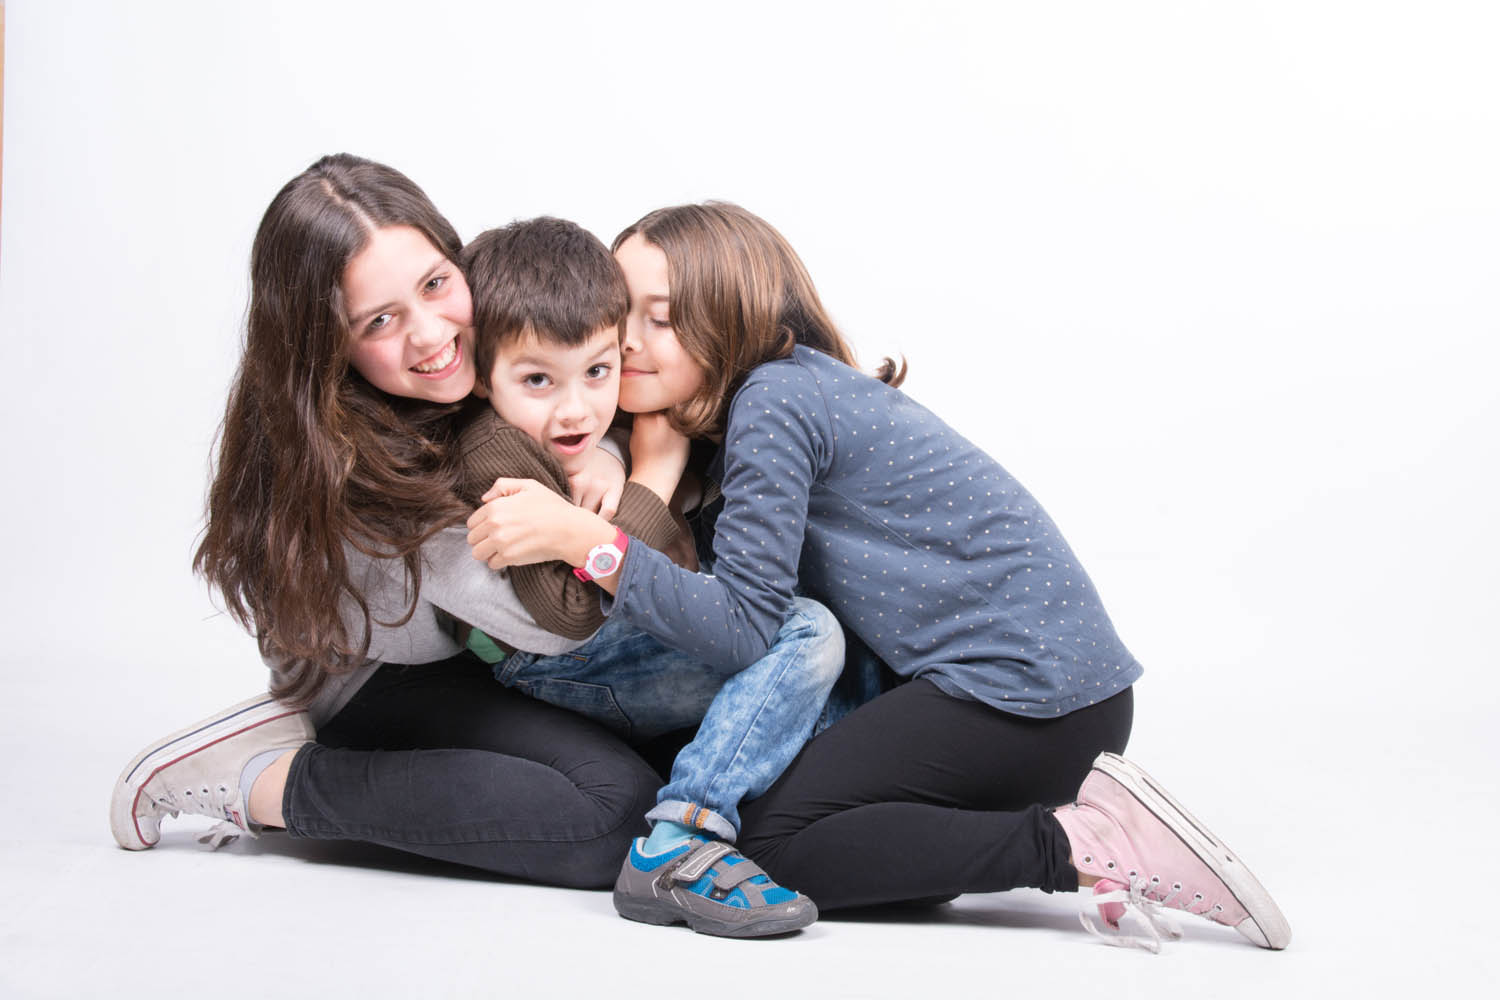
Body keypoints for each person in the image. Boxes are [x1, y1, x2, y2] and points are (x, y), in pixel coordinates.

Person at [464, 202, 1292, 951]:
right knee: (782, 799)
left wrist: (590, 542)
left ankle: (1083, 848)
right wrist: (633, 457)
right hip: (1041, 696)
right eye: (623, 315)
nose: (627, 343)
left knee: (767, 845)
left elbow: (746, 627)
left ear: (731, 320)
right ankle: (1016, 843)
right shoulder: (771, 398)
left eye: (663, 320)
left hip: (1032, 702)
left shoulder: (775, 402)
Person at [110, 154, 666, 890]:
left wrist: (608, 454)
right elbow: (555, 624)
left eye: (436, 284)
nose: (433, 334)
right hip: (376, 685)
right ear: (328, 344)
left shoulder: (469, 365)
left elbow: (572, 381)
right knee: (614, 817)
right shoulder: (370, 470)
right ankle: (264, 782)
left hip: (473, 654)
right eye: (380, 320)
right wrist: (650, 477)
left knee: (670, 768)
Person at [448, 216, 847, 936]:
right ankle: (682, 838)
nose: (575, 409)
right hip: (552, 663)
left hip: (610, 643)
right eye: (537, 379)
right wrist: (652, 478)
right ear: (483, 374)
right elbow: (568, 611)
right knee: (803, 632)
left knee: (825, 680)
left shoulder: (582, 429)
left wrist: (613, 457)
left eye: (597, 372)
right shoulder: (494, 452)